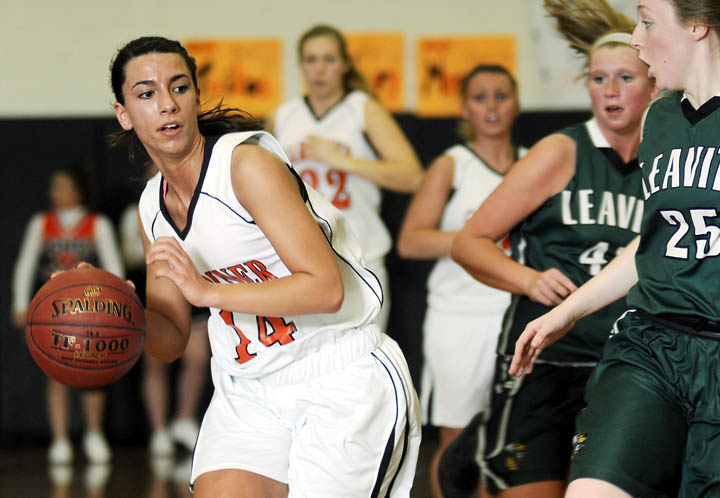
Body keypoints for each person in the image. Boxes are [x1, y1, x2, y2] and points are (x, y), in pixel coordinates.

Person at [510, 0, 720, 496]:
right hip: (652, 343)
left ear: (697, 26)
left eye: (646, 21)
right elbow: (651, 245)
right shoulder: (660, 118)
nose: (636, 39)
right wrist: (569, 311)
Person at [108, 36, 420, 497]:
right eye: (147, 94)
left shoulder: (245, 166)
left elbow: (324, 290)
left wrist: (209, 293)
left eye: (179, 88)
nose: (167, 105)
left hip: (339, 375)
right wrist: (116, 312)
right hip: (249, 388)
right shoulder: (150, 208)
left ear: (195, 95)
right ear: (124, 114)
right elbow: (171, 337)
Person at [447, 1, 658, 495]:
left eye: (625, 78)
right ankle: (479, 449)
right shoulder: (560, 152)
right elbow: (468, 243)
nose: (610, 91)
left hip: (624, 363)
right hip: (545, 361)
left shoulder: (665, 159)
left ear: (654, 83)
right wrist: (529, 278)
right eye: (598, 78)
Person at [396, 64, 524, 498]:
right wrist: (477, 238)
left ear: (517, 103)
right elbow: (411, 240)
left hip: (518, 317)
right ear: (465, 106)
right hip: (459, 318)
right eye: (481, 96)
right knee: (458, 442)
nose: (491, 106)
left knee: (512, 442)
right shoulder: (452, 166)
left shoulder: (534, 164)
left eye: (501, 95)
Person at [272, 24, 424, 330]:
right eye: (311, 60)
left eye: (329, 59)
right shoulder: (283, 115)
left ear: (345, 64)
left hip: (360, 254)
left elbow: (412, 176)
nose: (320, 69)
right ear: (301, 65)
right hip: (302, 260)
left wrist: (341, 160)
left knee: (362, 358)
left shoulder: (362, 109)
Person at [12, 165, 123, 465]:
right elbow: (25, 265)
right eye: (54, 187)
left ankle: (94, 434)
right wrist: (21, 303)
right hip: (56, 312)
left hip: (91, 312)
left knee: (94, 375)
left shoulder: (97, 224)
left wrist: (119, 305)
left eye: (61, 186)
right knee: (56, 373)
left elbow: (114, 268)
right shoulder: (42, 223)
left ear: (79, 191)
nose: (55, 193)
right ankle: (59, 439)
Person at [119, 172, 211, 458]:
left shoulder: (205, 203)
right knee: (156, 363)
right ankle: (158, 429)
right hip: (156, 288)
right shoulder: (143, 208)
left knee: (196, 360)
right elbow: (131, 255)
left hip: (198, 291)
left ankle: (184, 419)